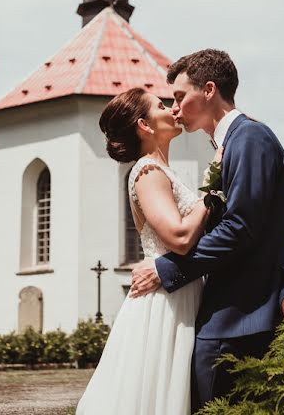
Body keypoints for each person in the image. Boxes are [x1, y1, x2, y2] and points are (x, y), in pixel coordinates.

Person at [130, 49, 284, 411]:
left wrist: (166, 268)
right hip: (224, 315)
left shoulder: (249, 138)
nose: (174, 109)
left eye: (179, 97)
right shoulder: (230, 144)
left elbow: (240, 228)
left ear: (208, 90)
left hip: (238, 320)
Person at [76, 87, 219, 415]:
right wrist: (212, 185)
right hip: (163, 299)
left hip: (179, 289)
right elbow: (180, 237)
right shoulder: (147, 172)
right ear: (145, 124)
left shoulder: (162, 170)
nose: (172, 108)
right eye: (161, 105)